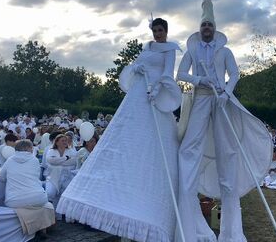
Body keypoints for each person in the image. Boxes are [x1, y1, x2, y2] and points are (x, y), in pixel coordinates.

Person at [57, 17, 182, 242]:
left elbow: (168, 74)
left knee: (153, 143)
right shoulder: (147, 48)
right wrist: (137, 67)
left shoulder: (170, 49)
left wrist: (159, 89)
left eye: (161, 30)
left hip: (155, 96)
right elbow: (133, 69)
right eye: (155, 31)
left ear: (166, 30)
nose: (158, 34)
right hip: (138, 94)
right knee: (126, 139)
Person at [176, 0, 272, 241]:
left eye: (209, 25)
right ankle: (190, 219)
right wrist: (199, 79)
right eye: (203, 24)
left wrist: (227, 92)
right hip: (201, 98)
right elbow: (180, 74)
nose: (206, 28)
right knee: (190, 146)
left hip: (220, 100)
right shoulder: (193, 51)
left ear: (215, 28)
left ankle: (231, 232)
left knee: (226, 150)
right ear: (199, 28)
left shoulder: (225, 51)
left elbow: (236, 74)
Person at [0, 140, 48, 208]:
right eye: (32, 148)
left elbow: (1, 177)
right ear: (29, 148)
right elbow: (37, 177)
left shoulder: (10, 160)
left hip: (14, 200)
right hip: (38, 198)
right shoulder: (35, 160)